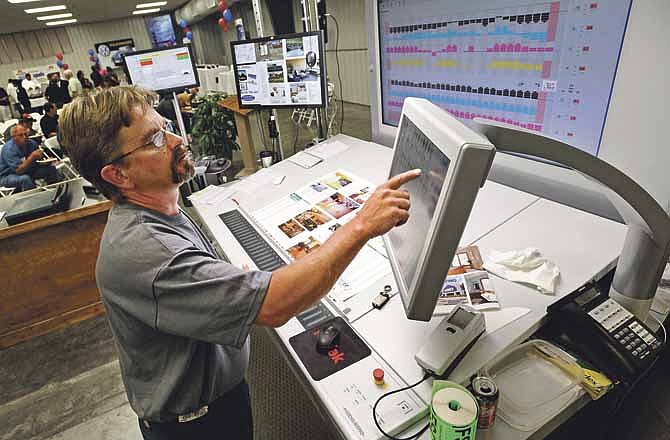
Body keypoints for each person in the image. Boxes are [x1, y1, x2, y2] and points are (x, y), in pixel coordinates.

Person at [58, 86, 420, 440]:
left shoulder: (160, 208)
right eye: (154, 140)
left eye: (165, 126)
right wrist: (361, 224)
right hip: (195, 425)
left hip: (216, 399)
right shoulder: (148, 251)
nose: (174, 140)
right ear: (118, 175)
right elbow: (275, 306)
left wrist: (225, 285)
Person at [0, 124, 59, 192]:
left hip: (28, 170)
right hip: (7, 175)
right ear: (14, 137)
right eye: (20, 135)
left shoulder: (32, 143)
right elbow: (19, 170)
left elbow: (36, 162)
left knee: (51, 169)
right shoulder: (9, 149)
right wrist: (32, 157)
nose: (24, 137)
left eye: (26, 134)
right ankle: (33, 198)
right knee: (25, 179)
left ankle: (54, 192)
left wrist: (45, 162)